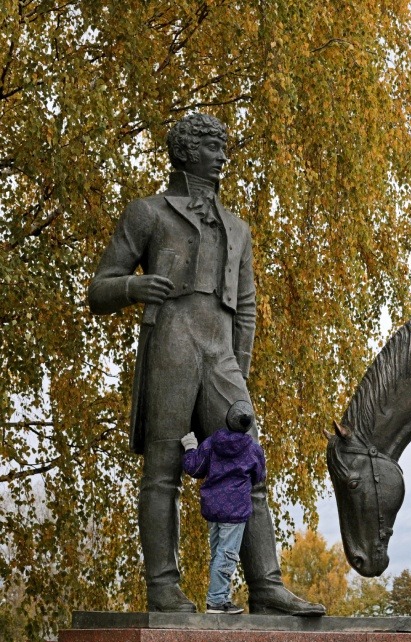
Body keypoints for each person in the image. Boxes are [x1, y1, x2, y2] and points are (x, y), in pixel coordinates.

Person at [88, 113, 323, 615]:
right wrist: (133, 286)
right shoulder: (148, 213)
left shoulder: (237, 227)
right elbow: (99, 288)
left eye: (222, 148)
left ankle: (265, 584)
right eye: (212, 148)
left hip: (221, 354)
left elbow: (248, 305)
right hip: (171, 347)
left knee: (250, 465)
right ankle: (164, 587)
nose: (221, 156)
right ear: (185, 153)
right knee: (164, 471)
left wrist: (236, 369)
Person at [181, 401, 264, 614]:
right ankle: (217, 601)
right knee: (227, 555)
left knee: (218, 553)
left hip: (213, 507)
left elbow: (194, 468)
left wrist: (190, 446)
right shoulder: (253, 450)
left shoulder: (211, 443)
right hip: (235, 511)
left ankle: (217, 598)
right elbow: (258, 477)